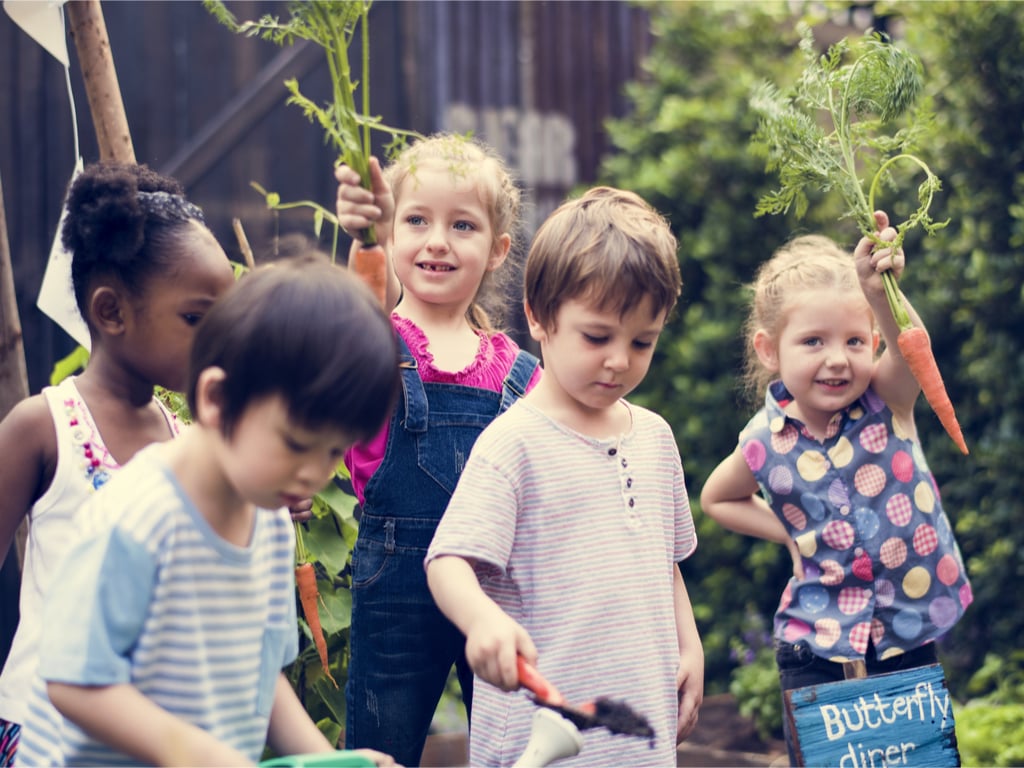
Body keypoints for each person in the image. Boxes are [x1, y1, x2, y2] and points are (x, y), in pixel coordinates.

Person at [16, 254, 402, 767]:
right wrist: (190, 751)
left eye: (334, 452)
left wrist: (328, 762)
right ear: (217, 399)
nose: (313, 474)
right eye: (296, 443)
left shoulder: (267, 522)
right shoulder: (137, 517)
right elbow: (71, 681)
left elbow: (261, 679)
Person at [425, 186, 704, 767]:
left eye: (642, 342)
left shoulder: (654, 438)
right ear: (538, 316)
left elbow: (666, 563)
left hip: (638, 739)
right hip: (542, 744)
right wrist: (483, 623)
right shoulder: (513, 444)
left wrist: (690, 646)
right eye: (597, 336)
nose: (619, 360)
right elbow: (447, 562)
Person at [699, 212, 972, 764]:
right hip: (814, 643)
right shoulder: (763, 442)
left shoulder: (886, 400)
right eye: (813, 341)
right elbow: (716, 498)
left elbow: (910, 353)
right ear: (770, 350)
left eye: (853, 340)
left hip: (904, 631)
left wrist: (879, 291)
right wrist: (793, 534)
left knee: (917, 758)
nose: (836, 359)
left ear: (872, 341)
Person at [0, 162, 236, 766]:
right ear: (111, 313)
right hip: (48, 735)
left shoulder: (185, 437)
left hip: (153, 738)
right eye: (195, 319)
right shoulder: (43, 426)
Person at [334, 133, 542, 766]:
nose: (436, 241)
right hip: (394, 585)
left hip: (496, 589)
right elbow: (347, 319)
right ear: (391, 232)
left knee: (514, 749)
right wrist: (359, 239)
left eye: (462, 225)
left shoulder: (521, 372)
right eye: (415, 220)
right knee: (379, 751)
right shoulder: (376, 340)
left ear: (498, 248)